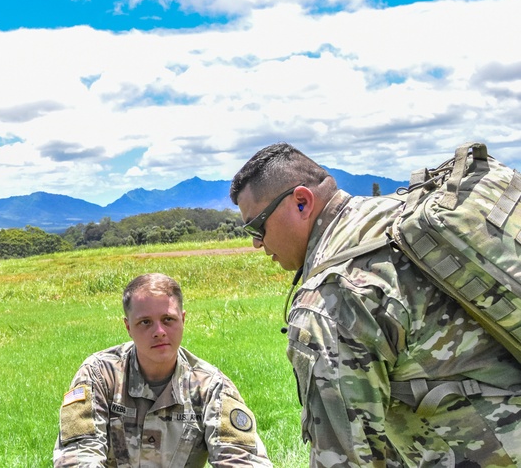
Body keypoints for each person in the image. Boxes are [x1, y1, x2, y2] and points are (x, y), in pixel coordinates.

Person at [230, 142, 521, 466]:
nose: (256, 242)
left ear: (301, 202)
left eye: (257, 226)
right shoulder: (395, 215)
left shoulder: (331, 301)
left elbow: (345, 459)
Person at [53, 273, 272, 467]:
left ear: (183, 320)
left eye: (168, 319)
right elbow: (78, 456)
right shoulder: (100, 375)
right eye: (145, 322)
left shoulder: (211, 387)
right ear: (128, 327)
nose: (159, 331)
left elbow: (241, 459)